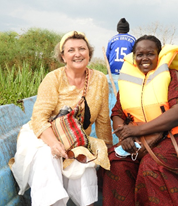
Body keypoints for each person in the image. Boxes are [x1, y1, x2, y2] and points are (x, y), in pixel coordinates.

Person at [98, 35, 178, 206]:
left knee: (153, 165)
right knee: (116, 162)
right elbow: (117, 112)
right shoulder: (129, 82)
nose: (144, 58)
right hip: (143, 138)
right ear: (134, 58)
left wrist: (136, 131)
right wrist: (124, 136)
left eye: (150, 54)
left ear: (159, 55)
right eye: (140, 55)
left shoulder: (174, 76)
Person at [9, 31, 113, 206]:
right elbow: (39, 118)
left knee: (84, 162)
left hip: (76, 138)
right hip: (44, 135)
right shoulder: (53, 78)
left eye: (82, 49)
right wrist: (54, 144)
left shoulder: (100, 80)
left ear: (89, 54)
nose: (77, 53)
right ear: (63, 56)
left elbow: (103, 119)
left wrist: (106, 149)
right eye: (71, 50)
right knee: (47, 157)